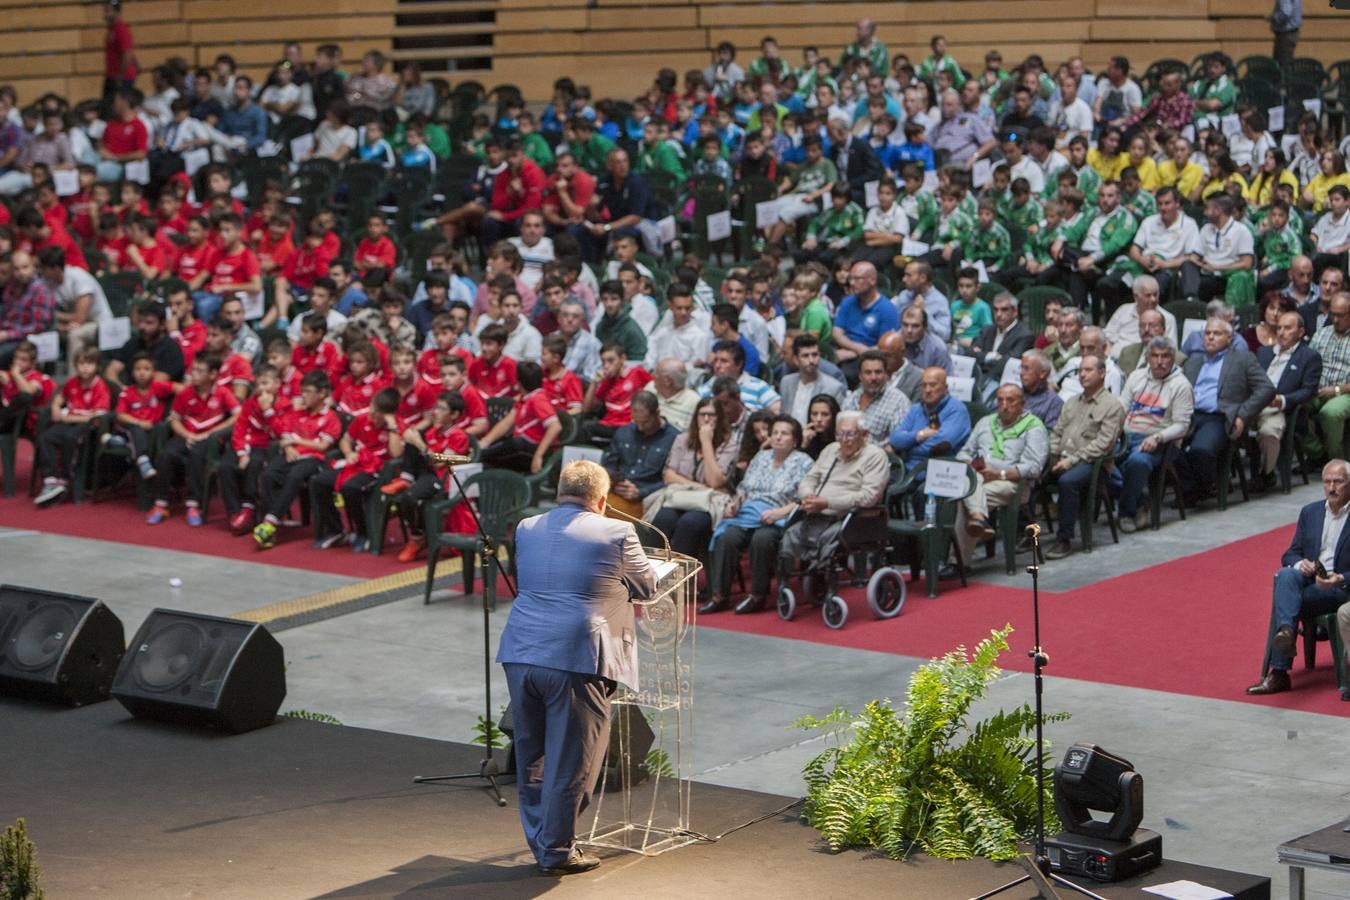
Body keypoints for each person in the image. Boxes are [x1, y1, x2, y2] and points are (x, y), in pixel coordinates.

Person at [496, 459, 656, 876]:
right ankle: (557, 850)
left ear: (560, 490)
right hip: (577, 657)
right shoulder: (619, 531)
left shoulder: (527, 528)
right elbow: (647, 586)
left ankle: (543, 842)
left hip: (521, 651)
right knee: (574, 760)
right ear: (602, 501)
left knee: (533, 754)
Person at [1247, 459, 1350, 697]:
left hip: (1339, 586)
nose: (1332, 487)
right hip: (1311, 577)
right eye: (1327, 482)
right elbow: (1289, 553)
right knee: (1286, 574)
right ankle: (1287, 632)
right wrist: (1299, 563)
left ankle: (1279, 672)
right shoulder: (1310, 512)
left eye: (1338, 481)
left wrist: (1340, 578)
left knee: (1287, 601)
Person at [706, 415, 815, 614]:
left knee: (762, 539)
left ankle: (758, 595)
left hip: (779, 515)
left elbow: (804, 499)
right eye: (775, 433)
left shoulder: (804, 462)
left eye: (784, 434)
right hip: (749, 512)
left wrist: (778, 513)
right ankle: (720, 595)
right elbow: (744, 489)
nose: (778, 438)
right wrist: (736, 503)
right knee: (727, 536)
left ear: (795, 439)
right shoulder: (761, 457)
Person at [776, 409, 890, 584]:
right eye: (840, 433)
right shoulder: (830, 450)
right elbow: (809, 479)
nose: (844, 439)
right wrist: (808, 495)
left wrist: (828, 503)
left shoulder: (875, 456)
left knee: (828, 538)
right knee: (790, 533)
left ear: (864, 435)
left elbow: (869, 497)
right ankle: (786, 584)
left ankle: (827, 582)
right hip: (818, 514)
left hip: (853, 518)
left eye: (850, 434)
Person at [1180, 317, 1275, 503]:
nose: (1210, 337)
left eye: (1216, 333)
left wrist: (1243, 414)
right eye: (1207, 333)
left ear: (1230, 338)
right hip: (1189, 414)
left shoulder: (1242, 359)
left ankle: (1203, 487)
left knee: (1200, 450)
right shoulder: (1194, 361)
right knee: (1168, 448)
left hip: (1220, 417)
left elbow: (1267, 389)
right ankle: (1194, 487)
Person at [1041, 354, 1125, 559]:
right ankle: (1025, 532)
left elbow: (1103, 445)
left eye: (1088, 370)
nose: (1083, 374)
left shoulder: (1112, 405)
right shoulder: (1071, 402)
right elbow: (1057, 432)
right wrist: (1052, 454)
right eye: (1080, 371)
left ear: (1102, 373)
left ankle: (1064, 539)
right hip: (1061, 458)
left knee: (1068, 481)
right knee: (1031, 475)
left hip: (1093, 464)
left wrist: (1071, 460)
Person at [953, 384, 1048, 563]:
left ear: (1022, 404)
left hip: (1012, 484)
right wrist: (970, 464)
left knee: (962, 498)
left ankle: (957, 562)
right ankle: (978, 519)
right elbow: (964, 452)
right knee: (965, 488)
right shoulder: (985, 422)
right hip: (979, 477)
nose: (1004, 405)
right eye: (1000, 400)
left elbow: (1034, 467)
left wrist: (998, 474)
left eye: (1010, 400)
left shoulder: (1033, 427)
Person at [147, 354, 241, 527]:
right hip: (187, 434)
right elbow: (174, 419)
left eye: (199, 371)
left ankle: (194, 504)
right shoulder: (185, 393)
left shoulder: (222, 392)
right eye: (193, 370)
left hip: (210, 439)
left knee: (197, 455)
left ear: (213, 375)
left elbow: (238, 415)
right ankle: (161, 504)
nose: (193, 375)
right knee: (166, 455)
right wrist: (186, 435)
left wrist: (210, 433)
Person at [253, 371, 343, 550]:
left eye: (308, 391)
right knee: (269, 474)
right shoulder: (297, 412)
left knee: (295, 476)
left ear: (322, 394)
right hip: (291, 454)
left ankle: (269, 522)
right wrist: (288, 447)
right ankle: (273, 526)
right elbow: (284, 433)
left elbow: (323, 446)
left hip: (314, 459)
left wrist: (297, 441)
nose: (303, 395)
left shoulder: (331, 417)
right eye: (302, 391)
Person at [1116, 338, 1194, 533]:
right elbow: (1121, 408)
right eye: (1155, 356)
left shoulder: (1181, 385)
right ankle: (1141, 502)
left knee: (1137, 463)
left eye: (1165, 356)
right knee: (1099, 462)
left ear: (1173, 358)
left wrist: (1158, 437)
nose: (1160, 361)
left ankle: (1126, 511)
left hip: (1160, 442)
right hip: (1127, 436)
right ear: (1148, 358)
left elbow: (1182, 426)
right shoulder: (1136, 377)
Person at [649, 395, 737, 563]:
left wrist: (706, 442)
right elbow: (669, 475)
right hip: (681, 496)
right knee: (662, 519)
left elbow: (715, 482)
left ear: (719, 418)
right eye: (702, 414)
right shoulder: (682, 439)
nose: (706, 419)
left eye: (711, 415)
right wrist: (699, 487)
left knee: (689, 523)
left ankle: (680, 580)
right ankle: (652, 575)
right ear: (695, 416)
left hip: (708, 503)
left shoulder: (729, 445)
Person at [33, 348, 111, 507]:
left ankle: (66, 478)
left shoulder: (100, 386)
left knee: (71, 438)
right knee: (45, 438)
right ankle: (51, 480)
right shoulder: (72, 382)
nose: (85, 368)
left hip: (87, 427)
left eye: (89, 363)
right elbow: (60, 396)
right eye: (81, 363)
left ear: (97, 366)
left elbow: (97, 417)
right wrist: (55, 407)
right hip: (68, 421)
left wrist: (66, 417)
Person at [1254, 311, 1320, 490]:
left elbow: (1309, 391)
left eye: (1288, 328)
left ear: (1300, 332)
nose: (1281, 332)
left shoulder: (1309, 356)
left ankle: (1265, 473)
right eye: (1279, 328)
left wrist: (1282, 400)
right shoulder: (1264, 352)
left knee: (1268, 431)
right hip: (1253, 404)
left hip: (1283, 410)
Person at [842, 349, 910, 445]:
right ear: (860, 376)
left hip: (878, 457)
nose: (873, 378)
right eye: (868, 372)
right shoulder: (851, 399)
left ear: (886, 374)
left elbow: (897, 444)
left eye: (878, 372)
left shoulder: (898, 401)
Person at [780, 333, 847, 426]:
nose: (811, 360)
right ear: (796, 359)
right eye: (805, 356)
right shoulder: (786, 382)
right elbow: (783, 415)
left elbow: (836, 424)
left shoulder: (833, 388)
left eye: (814, 355)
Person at [970, 291, 1033, 385]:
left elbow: (1006, 364)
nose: (998, 314)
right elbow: (970, 354)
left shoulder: (1025, 335)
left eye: (1004, 310)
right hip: (979, 377)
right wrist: (994, 356)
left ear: (1015, 312)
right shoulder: (987, 330)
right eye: (995, 309)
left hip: (1002, 382)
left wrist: (982, 356)